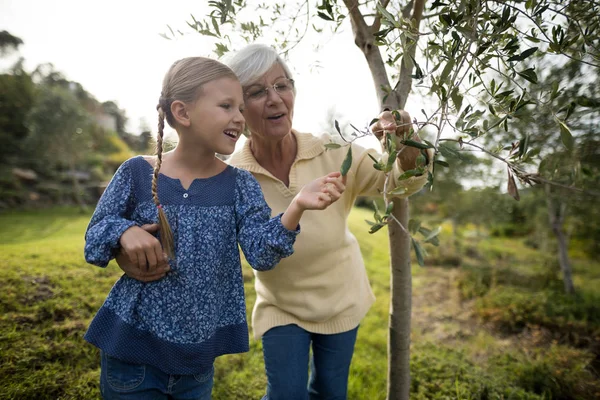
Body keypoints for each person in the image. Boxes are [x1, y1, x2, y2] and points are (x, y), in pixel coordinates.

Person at [117, 44, 431, 400]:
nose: (275, 99)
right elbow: (190, 237)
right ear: (237, 108)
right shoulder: (230, 177)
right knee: (285, 394)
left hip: (341, 298)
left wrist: (406, 143)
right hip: (281, 306)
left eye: (283, 86)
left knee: (331, 392)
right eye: (256, 92)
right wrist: (124, 245)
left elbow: (400, 184)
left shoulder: (334, 152)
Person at [83, 56, 345, 400]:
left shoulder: (239, 184)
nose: (239, 117)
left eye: (240, 107)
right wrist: (123, 232)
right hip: (131, 353)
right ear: (183, 112)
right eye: (226, 106)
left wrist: (296, 206)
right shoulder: (136, 172)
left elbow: (260, 253)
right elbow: (94, 239)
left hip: (197, 363)